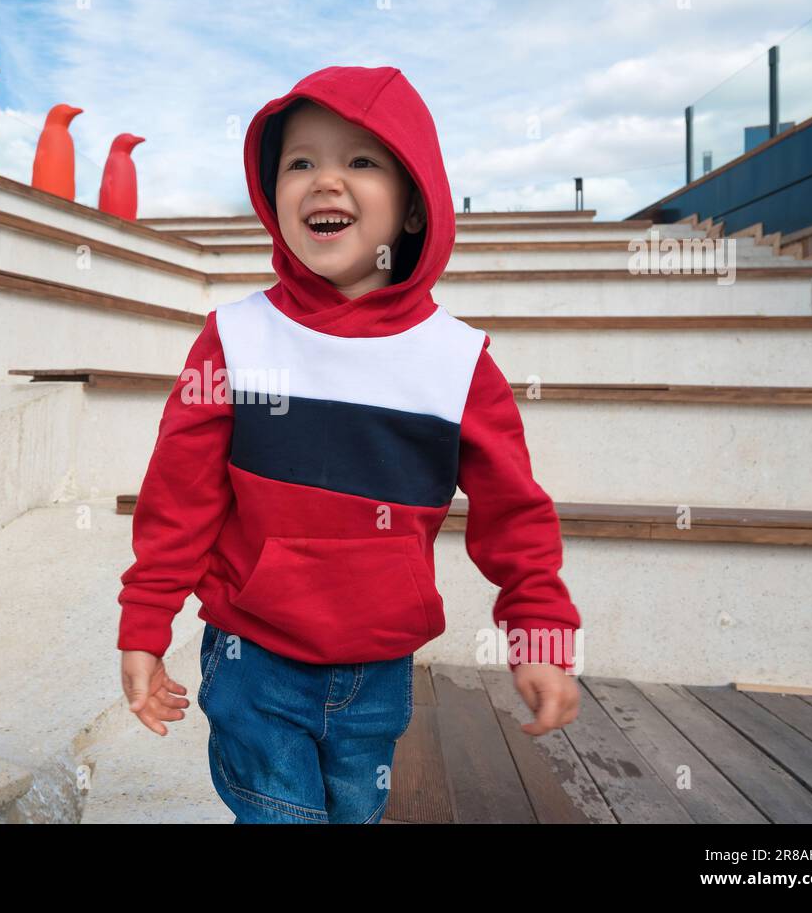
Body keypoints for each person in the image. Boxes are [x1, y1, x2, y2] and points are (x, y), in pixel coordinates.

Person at [117, 65, 582, 823]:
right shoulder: (234, 339)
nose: (324, 180)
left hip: (379, 669)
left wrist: (538, 630)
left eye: (360, 161)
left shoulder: (457, 362)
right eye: (300, 162)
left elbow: (516, 513)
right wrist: (145, 624)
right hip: (252, 658)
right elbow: (179, 500)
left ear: (411, 207)